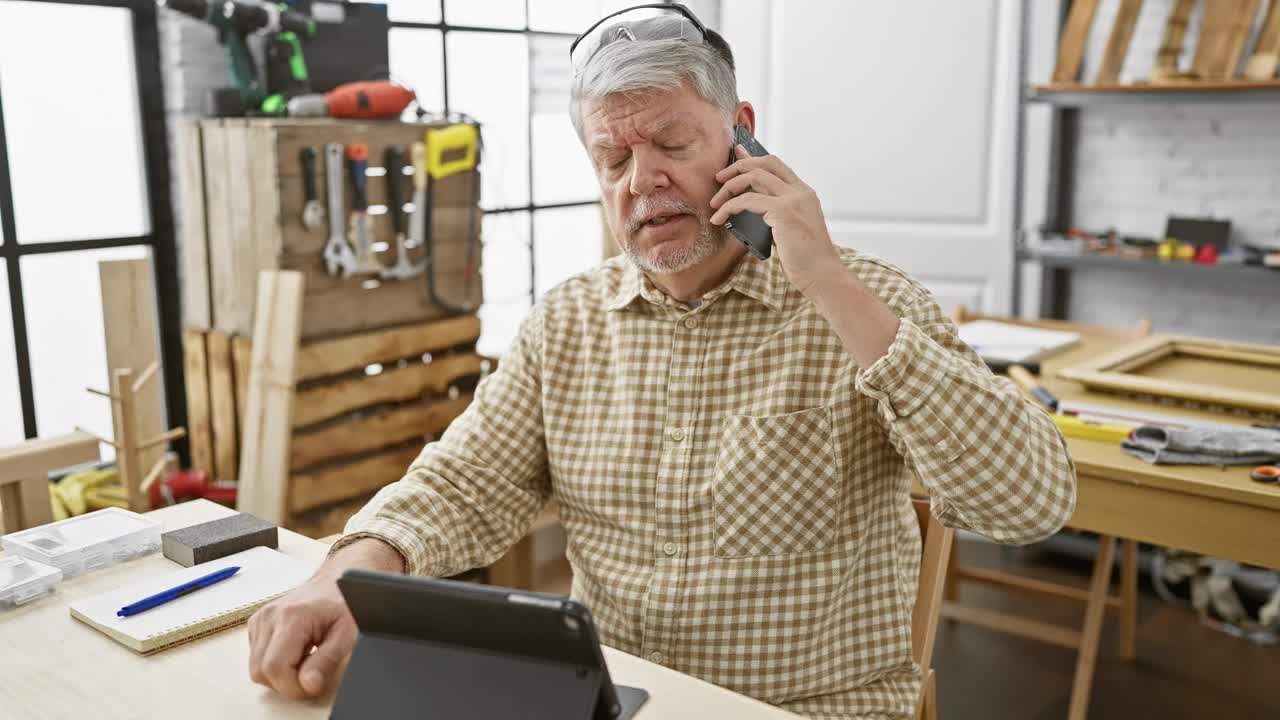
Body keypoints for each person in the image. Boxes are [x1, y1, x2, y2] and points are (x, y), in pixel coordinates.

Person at [248, 4, 1076, 718]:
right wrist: (349, 572)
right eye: (613, 160)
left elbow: (1029, 503)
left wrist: (825, 278)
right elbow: (461, 485)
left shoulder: (860, 303)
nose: (643, 182)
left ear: (741, 130)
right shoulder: (568, 322)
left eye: (674, 142)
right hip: (613, 699)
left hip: (802, 709)